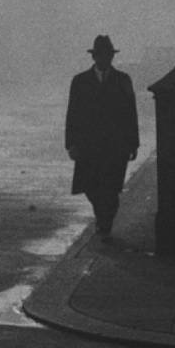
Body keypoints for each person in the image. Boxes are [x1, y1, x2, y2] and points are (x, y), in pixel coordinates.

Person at [65, 34, 138, 241]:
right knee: (90, 186)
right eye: (101, 55)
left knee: (111, 188)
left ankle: (105, 223)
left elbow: (130, 113)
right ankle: (102, 218)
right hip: (88, 145)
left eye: (107, 55)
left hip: (115, 145)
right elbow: (72, 113)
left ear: (112, 57)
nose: (104, 59)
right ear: (94, 57)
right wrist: (71, 143)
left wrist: (133, 143)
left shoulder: (123, 80)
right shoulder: (79, 81)